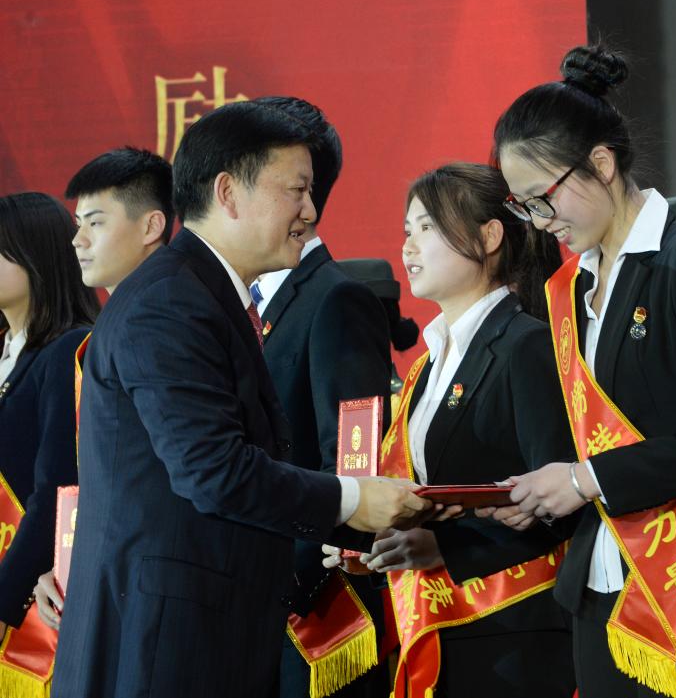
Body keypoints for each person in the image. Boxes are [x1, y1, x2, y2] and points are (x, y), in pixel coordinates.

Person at [49, 100, 433, 698]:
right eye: (297, 190)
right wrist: (355, 499)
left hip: (191, 635)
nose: (310, 211)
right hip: (165, 648)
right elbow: (213, 470)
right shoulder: (171, 301)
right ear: (228, 193)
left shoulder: (196, 292)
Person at [489, 45, 676, 698]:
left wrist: (585, 479)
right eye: (523, 207)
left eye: (542, 199)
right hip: (596, 583)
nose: (540, 223)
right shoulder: (572, 287)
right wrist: (542, 491)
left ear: (601, 165)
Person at [326, 162, 576, 698]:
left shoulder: (526, 344)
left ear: (489, 236)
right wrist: (372, 540)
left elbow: (561, 504)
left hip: (514, 633)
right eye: (406, 231)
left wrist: (446, 547)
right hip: (443, 624)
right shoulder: (428, 364)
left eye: (427, 228)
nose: (408, 246)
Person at [247, 97, 394, 698]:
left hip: (312, 609)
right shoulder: (241, 302)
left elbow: (352, 459)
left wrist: (286, 581)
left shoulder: (336, 298)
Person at [30, 146, 175, 629]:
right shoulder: (115, 325)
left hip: (148, 592)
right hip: (104, 576)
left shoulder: (165, 320)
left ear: (151, 226)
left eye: (95, 222)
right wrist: (66, 561)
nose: (77, 240)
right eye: (78, 224)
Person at [0, 192, 98, 645]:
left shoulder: (69, 349)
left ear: (35, 255)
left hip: (34, 600)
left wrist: (5, 597)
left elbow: (58, 488)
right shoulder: (8, 349)